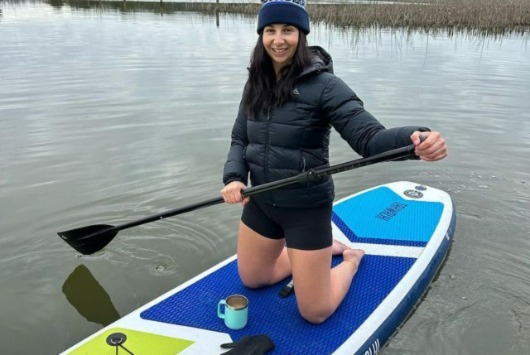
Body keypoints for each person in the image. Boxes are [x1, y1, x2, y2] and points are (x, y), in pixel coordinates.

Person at [220, 0, 447, 324]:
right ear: (261, 36)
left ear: (302, 34)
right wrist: (234, 178)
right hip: (260, 203)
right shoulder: (255, 84)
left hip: (306, 210)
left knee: (315, 312)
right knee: (254, 280)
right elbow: (240, 140)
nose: (278, 39)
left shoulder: (325, 86)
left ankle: (351, 259)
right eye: (270, 30)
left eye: (288, 30)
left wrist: (415, 139)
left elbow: (368, 139)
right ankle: (322, 253)